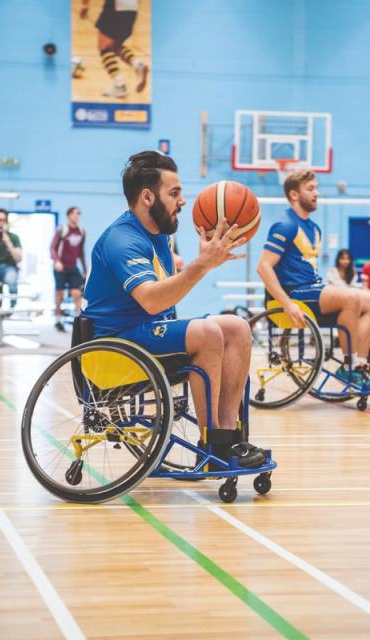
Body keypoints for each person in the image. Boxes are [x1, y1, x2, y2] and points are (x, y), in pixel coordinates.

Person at [82, 150, 266, 467]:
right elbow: (152, 300)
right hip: (114, 348)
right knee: (207, 333)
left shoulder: (159, 237)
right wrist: (201, 265)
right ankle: (215, 447)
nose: (183, 201)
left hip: (144, 335)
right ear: (147, 197)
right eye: (175, 193)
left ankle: (228, 439)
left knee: (237, 326)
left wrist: (203, 265)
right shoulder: (122, 239)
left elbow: (164, 298)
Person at [257, 169, 370, 388]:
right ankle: (348, 368)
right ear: (294, 195)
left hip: (313, 289)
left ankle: (359, 366)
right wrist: (286, 304)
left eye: (316, 188)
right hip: (295, 294)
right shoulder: (285, 225)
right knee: (351, 298)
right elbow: (263, 267)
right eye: (310, 189)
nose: (316, 193)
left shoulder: (314, 228)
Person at [80, 0, 149, 99]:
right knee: (115, 45)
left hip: (115, 6)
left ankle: (119, 85)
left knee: (103, 47)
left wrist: (85, 5)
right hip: (131, 7)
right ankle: (138, 65)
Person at [50, 206, 88, 332]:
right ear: (68, 216)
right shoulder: (62, 230)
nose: (76, 216)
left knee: (77, 294)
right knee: (59, 294)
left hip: (73, 267)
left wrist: (84, 268)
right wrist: (56, 261)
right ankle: (58, 320)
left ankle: (77, 320)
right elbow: (52, 247)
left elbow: (81, 252)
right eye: (74, 213)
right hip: (61, 267)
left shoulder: (81, 231)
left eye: (78, 214)